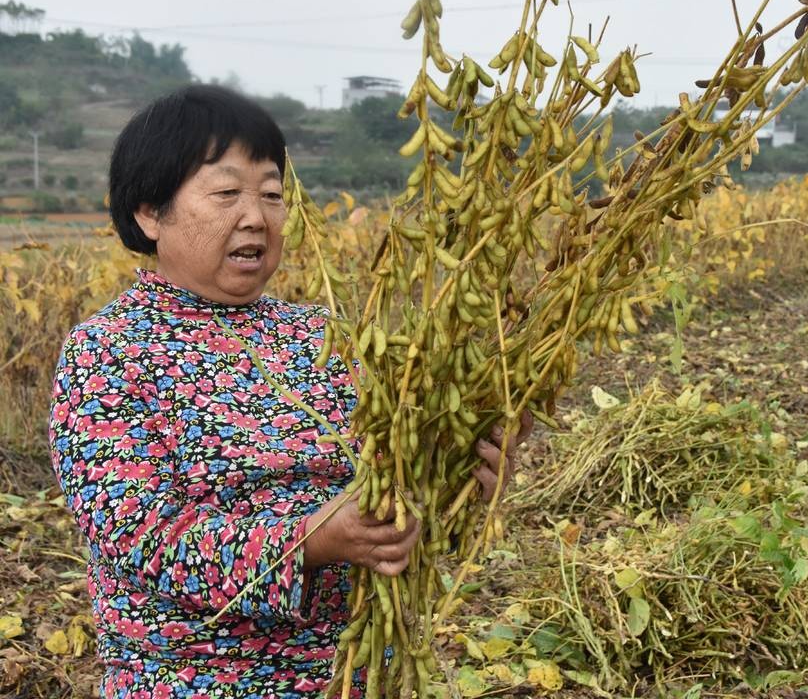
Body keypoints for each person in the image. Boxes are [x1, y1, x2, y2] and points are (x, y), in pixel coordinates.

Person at [47, 84, 533, 698]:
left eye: (273, 194)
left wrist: (460, 491)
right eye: (226, 193)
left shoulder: (323, 338)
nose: (256, 216)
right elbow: (139, 530)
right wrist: (308, 542)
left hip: (353, 673)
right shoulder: (108, 350)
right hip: (194, 679)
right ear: (150, 212)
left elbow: (390, 505)